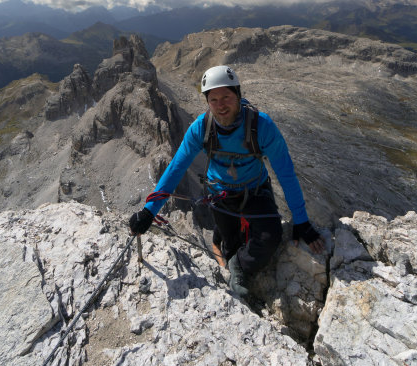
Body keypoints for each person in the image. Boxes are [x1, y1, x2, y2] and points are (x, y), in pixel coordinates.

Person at [129, 65, 324, 297]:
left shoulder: (261, 126)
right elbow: (176, 168)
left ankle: (238, 267)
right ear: (207, 102)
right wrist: (149, 211)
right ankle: (227, 248)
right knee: (230, 245)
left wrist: (301, 220)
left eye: (226, 97)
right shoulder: (201, 128)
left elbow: (286, 173)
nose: (221, 105)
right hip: (220, 194)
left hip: (255, 191)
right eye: (213, 100)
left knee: (270, 237)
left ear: (238, 96)